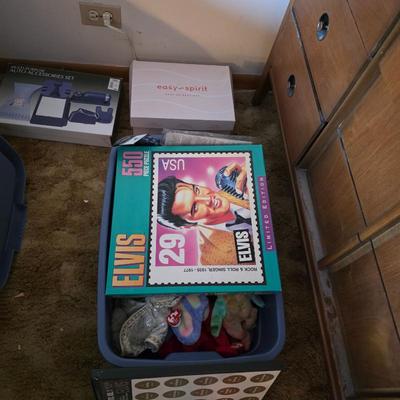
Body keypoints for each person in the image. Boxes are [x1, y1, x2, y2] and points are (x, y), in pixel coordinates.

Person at [157, 163, 252, 232]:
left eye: (196, 190)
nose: (208, 199)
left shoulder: (237, 186)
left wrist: (252, 169)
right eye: (195, 208)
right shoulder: (213, 251)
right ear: (187, 226)